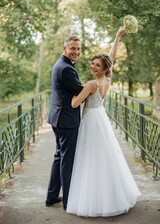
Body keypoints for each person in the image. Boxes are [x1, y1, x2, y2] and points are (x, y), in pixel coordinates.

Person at [66, 26, 141, 217]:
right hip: (101, 118)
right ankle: (112, 195)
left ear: (103, 68)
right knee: (105, 156)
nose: (93, 67)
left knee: (89, 158)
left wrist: (70, 93)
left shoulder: (91, 84)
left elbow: (75, 104)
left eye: (97, 66)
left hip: (91, 120)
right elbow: (112, 57)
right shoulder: (107, 78)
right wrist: (118, 35)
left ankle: (94, 199)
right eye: (92, 64)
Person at [46, 35, 83, 210]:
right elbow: (81, 92)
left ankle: (51, 197)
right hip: (67, 120)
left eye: (78, 48)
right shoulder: (66, 69)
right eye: (73, 48)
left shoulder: (60, 64)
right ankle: (68, 201)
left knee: (59, 157)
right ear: (65, 48)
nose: (76, 51)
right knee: (66, 161)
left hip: (58, 118)